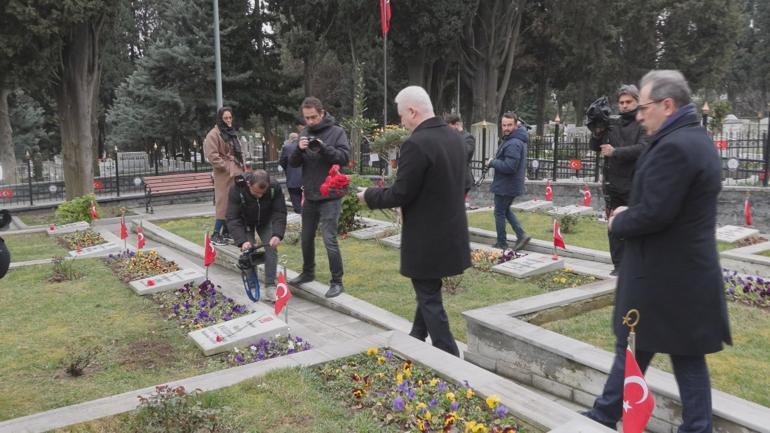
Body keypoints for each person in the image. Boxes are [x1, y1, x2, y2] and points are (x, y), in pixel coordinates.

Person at [582, 70, 731, 433]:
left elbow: (656, 212)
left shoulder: (676, 147)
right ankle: (612, 412)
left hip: (664, 275)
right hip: (678, 273)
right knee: (662, 350)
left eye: (645, 106)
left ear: (668, 104)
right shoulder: (691, 138)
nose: (639, 114)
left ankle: (611, 413)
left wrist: (620, 219)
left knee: (642, 346)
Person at [357, 86, 470, 357]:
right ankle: (416, 338)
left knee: (429, 297)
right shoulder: (455, 138)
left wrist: (368, 195)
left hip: (426, 238)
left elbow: (401, 193)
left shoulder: (416, 143)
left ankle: (451, 358)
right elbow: (464, 183)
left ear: (412, 111)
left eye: (401, 117)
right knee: (428, 289)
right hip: (451, 232)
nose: (402, 123)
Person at [287, 97, 350, 298]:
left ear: (322, 113)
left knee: (329, 239)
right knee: (306, 238)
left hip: (331, 194)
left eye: (313, 117)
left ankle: (337, 282)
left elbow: (344, 159)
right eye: (307, 118)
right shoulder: (304, 133)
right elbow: (294, 163)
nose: (311, 121)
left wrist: (324, 147)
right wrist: (299, 148)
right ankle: (307, 272)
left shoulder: (337, 132)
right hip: (311, 194)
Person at [589, 85, 649, 276]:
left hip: (634, 184)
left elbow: (643, 148)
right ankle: (619, 266)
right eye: (621, 102)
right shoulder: (613, 123)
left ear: (637, 101)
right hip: (613, 185)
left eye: (628, 102)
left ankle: (638, 264)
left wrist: (616, 152)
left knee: (636, 227)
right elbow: (595, 147)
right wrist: (597, 131)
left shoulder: (644, 123)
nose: (624, 106)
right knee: (613, 227)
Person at [225, 170, 287, 302]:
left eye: (262, 194)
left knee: (271, 248)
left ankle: (270, 286)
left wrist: (277, 234)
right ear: (248, 184)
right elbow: (232, 218)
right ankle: (252, 284)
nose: (259, 196)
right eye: (256, 192)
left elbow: (279, 212)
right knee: (248, 251)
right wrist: (242, 241)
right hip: (245, 221)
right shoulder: (237, 189)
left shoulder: (274, 187)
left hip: (265, 220)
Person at [487, 111, 530, 251]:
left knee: (499, 212)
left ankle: (502, 242)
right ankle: (521, 235)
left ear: (516, 125)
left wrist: (493, 162)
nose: (506, 128)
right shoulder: (513, 139)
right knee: (505, 210)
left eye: (509, 125)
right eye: (504, 125)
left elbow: (510, 167)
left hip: (507, 185)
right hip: (508, 184)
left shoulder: (513, 143)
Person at [204, 106, 245, 246]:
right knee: (223, 203)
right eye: (225, 118)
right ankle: (215, 234)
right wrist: (227, 166)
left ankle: (226, 233)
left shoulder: (231, 133)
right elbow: (212, 156)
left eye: (230, 117)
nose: (228, 120)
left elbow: (237, 151)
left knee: (233, 203)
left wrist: (241, 166)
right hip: (223, 174)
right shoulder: (213, 134)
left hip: (236, 172)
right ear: (220, 119)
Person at [445, 113, 476, 194]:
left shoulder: (468, 137)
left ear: (457, 125)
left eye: (449, 127)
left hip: (462, 180)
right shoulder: (450, 137)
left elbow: (465, 153)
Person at [279, 119, 304, 214]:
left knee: (297, 204)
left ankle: (300, 216)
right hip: (305, 180)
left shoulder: (287, 147)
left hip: (292, 180)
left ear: (290, 139)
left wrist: (288, 171)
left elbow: (282, 162)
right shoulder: (305, 145)